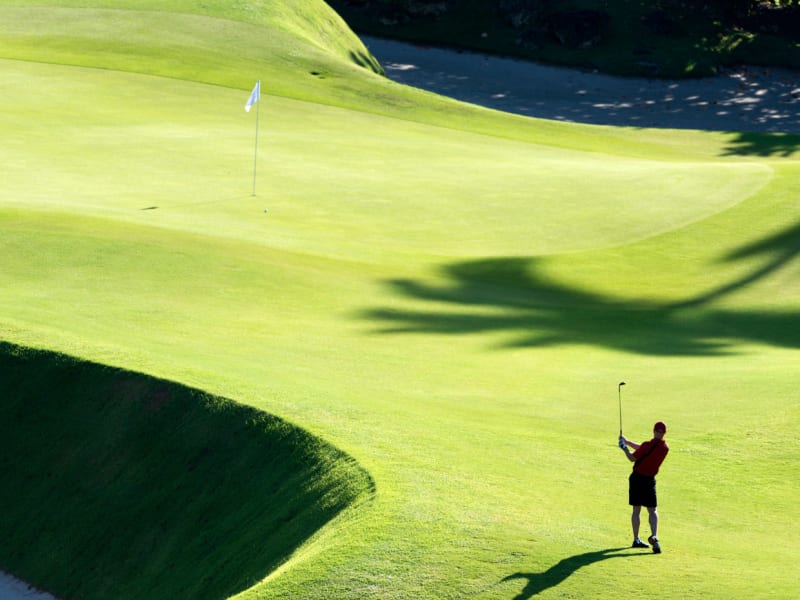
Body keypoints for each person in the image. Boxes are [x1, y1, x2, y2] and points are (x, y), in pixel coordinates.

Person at [618, 421, 669, 553]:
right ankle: (654, 536)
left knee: (636, 510)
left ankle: (636, 539)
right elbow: (643, 449)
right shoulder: (665, 448)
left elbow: (632, 458)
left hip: (637, 479)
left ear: (653, 431)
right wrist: (628, 442)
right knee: (652, 510)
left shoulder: (647, 445)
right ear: (664, 433)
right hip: (649, 481)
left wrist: (624, 447)